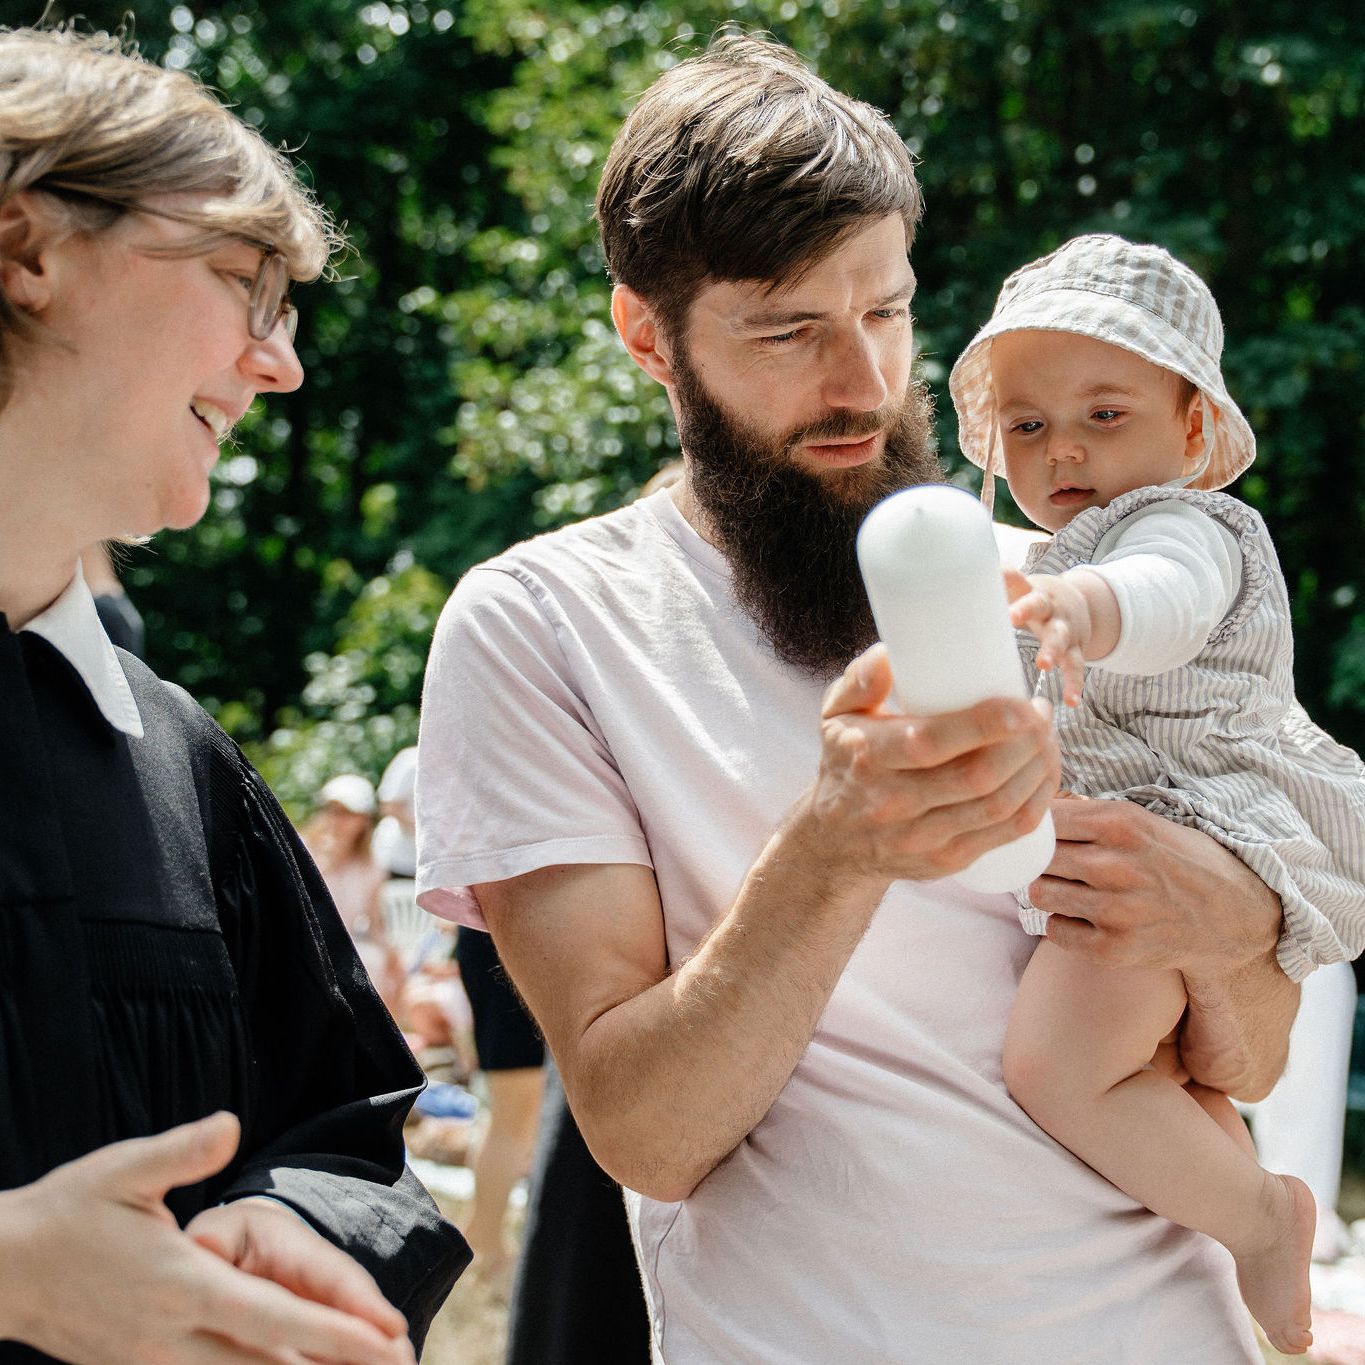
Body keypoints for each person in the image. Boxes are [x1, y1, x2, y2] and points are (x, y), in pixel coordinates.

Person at [416, 33, 1300, 1362]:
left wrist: (1232, 918)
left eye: (883, 312)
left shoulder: (1066, 587)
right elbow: (645, 1134)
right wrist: (834, 848)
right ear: (646, 335)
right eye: (788, 330)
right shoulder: (545, 621)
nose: (859, 384)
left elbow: (1254, 1062)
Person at [0, 24, 468, 1364]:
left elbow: (351, 1132)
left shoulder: (174, 760)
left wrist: (298, 1225)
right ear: (29, 250)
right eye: (243, 286)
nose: (284, 365)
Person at [947, 232, 1365, 1355]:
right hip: (1155, 847)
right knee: (1155, 1072)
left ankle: (1262, 1219)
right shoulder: (1066, 546)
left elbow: (1165, 594)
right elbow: (982, 549)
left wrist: (1088, 605)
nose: (1062, 448)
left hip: (1198, 824)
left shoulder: (1182, 529)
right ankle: (1234, 1227)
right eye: (1027, 426)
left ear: (1191, 429)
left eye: (1104, 414)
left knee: (1055, 1066)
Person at [301, 772, 406, 1014]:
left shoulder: (371, 867)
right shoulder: (304, 849)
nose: (336, 819)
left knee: (376, 962)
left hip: (342, 942)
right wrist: (329, 860)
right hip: (306, 939)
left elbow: (374, 924)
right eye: (332, 810)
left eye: (346, 813)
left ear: (363, 820)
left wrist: (392, 954)